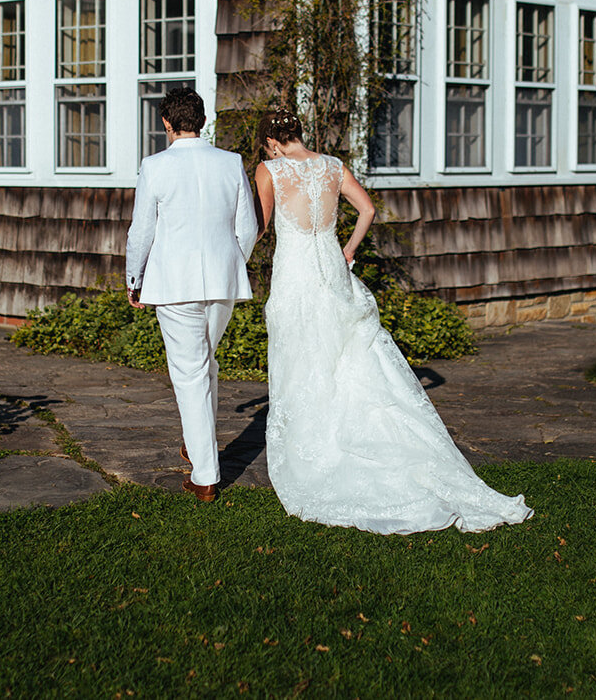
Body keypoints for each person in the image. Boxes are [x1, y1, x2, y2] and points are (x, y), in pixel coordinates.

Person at [254, 106, 532, 534]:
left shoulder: (269, 169)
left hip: (295, 273)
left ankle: (316, 449)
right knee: (348, 357)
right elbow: (367, 210)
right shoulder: (333, 166)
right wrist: (347, 250)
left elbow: (262, 223)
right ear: (298, 132)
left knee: (302, 355)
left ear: (272, 141)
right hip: (330, 266)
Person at [126, 88, 259, 501]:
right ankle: (196, 442)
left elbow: (142, 230)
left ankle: (205, 476)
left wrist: (135, 279)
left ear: (167, 123)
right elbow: (249, 228)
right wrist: (233, 262)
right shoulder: (231, 163)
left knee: (190, 373)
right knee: (205, 366)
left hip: (174, 284)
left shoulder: (154, 166)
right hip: (222, 282)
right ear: (202, 121)